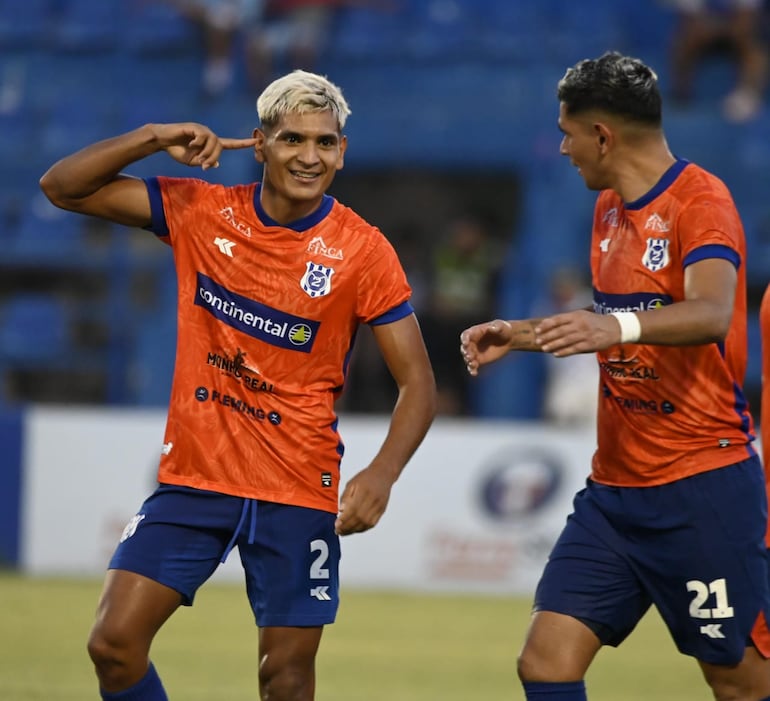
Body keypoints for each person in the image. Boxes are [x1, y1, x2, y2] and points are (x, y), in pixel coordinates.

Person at [39, 69, 436, 701]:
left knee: (284, 680)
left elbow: (418, 383)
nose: (310, 157)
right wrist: (153, 136)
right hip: (195, 478)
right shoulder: (199, 209)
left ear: (342, 151)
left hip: (297, 486)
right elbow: (61, 187)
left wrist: (383, 473)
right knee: (112, 645)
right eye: (292, 139)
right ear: (259, 143)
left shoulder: (363, 250)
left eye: (326, 143)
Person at [460, 51, 770, 700]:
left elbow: (711, 313)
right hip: (616, 492)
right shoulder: (607, 211)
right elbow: (611, 319)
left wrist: (617, 328)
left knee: (739, 681)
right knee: (546, 662)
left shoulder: (701, 201)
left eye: (568, 131)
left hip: (701, 487)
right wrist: (519, 334)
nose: (564, 146)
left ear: (603, 134)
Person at [665, 0, 768, 122]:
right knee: (684, 42)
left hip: (735, 36)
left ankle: (747, 96)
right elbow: (691, 23)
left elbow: (745, 24)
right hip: (704, 36)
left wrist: (720, 28)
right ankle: (680, 94)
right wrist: (719, 28)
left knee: (755, 50)